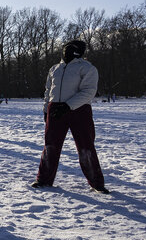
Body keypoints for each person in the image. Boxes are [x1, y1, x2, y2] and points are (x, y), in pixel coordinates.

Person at [31, 40, 109, 194]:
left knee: (85, 147)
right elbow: (48, 90)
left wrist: (68, 105)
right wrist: (46, 109)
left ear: (78, 52)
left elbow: (88, 92)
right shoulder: (55, 68)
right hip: (55, 110)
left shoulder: (87, 68)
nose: (66, 52)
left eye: (70, 49)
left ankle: (96, 183)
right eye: (65, 49)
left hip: (79, 110)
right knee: (50, 145)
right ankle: (44, 179)